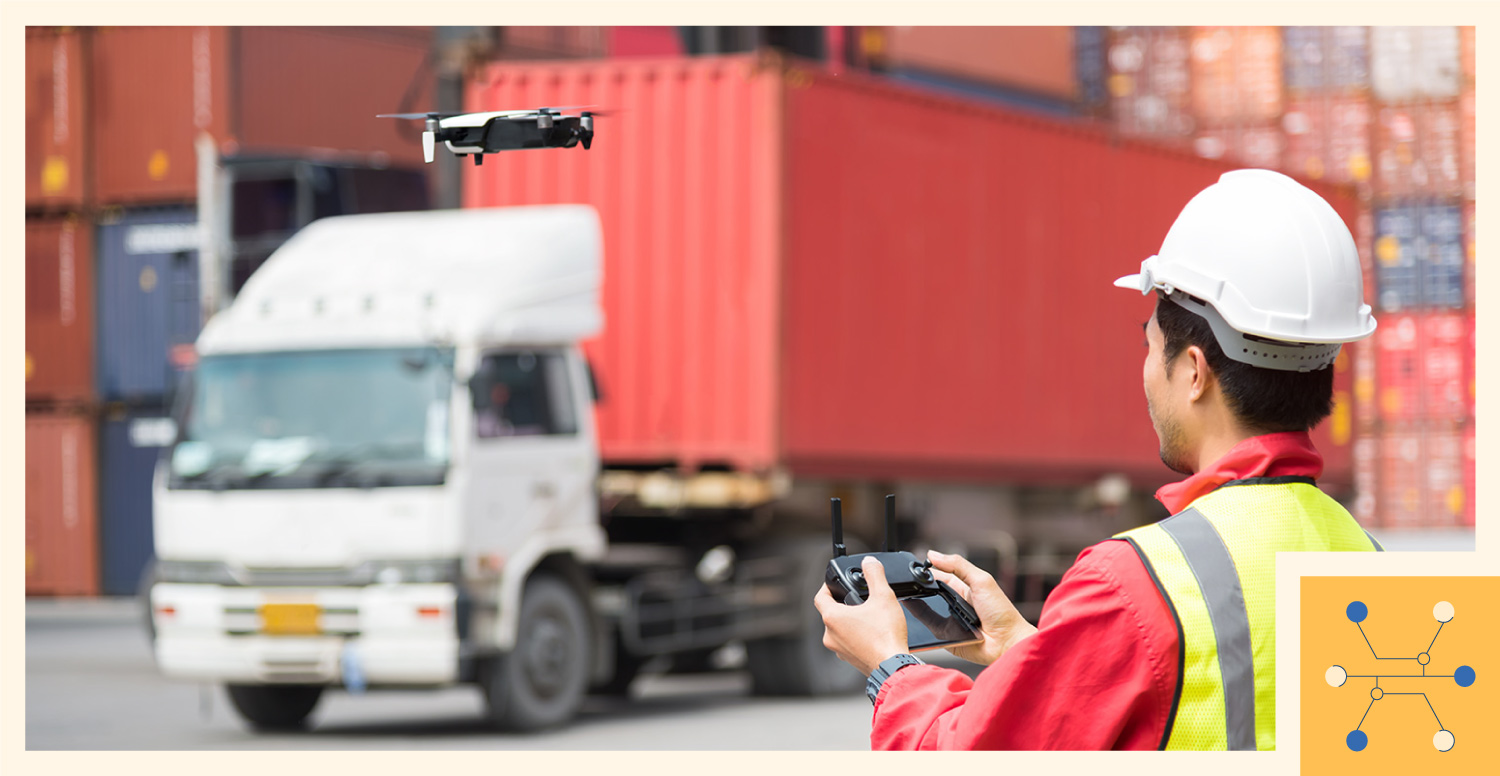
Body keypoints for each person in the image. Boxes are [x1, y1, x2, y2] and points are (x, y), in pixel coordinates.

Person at [813, 169, 1383, 751]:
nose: (1144, 368)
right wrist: (1029, 650)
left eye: (1149, 344)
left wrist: (890, 668)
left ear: (1192, 372)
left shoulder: (1133, 585)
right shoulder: (1375, 564)